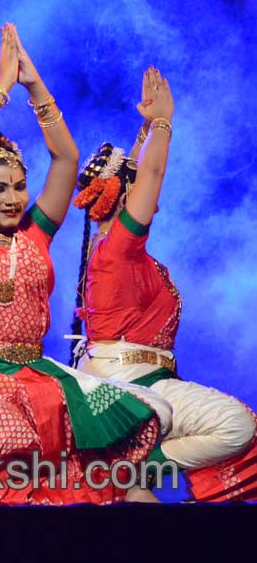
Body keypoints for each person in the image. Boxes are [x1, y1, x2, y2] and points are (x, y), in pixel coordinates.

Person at [0, 25, 171, 505]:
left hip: (36, 371)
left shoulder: (36, 234)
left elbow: (65, 156)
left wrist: (35, 86)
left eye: (18, 186)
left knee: (136, 419)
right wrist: (2, 88)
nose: (13, 198)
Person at [72, 68, 257, 502]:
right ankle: (130, 468)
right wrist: (163, 124)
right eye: (136, 192)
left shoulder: (113, 248)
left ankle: (132, 474)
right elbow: (149, 176)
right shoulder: (117, 247)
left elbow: (135, 175)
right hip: (127, 384)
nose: (152, 197)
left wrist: (140, 135)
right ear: (123, 197)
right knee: (237, 425)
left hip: (144, 377)